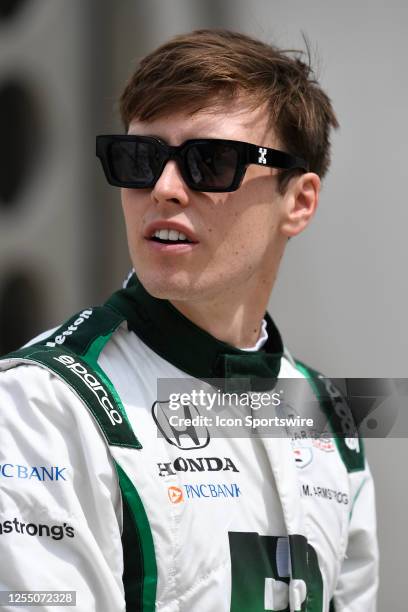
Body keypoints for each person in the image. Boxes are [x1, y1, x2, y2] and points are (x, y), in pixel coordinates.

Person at [0, 29, 378, 612]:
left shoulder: (326, 411)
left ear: (299, 201)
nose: (164, 189)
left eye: (212, 161)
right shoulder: (41, 405)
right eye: (140, 159)